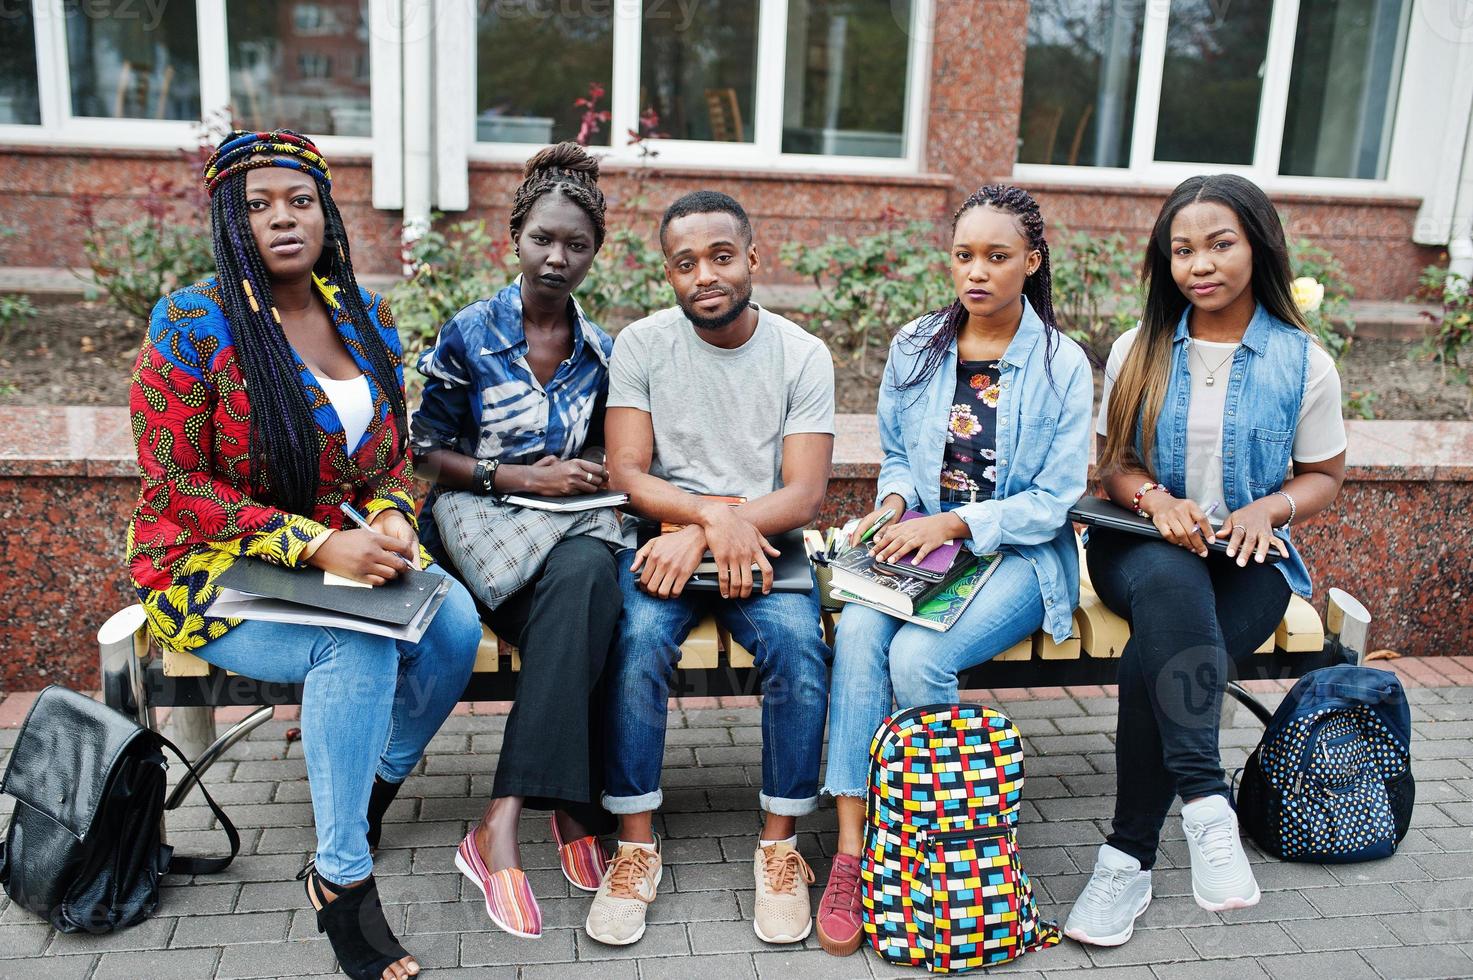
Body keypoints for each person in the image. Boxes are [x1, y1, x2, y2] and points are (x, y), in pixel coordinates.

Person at [126, 130, 481, 980]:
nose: (282, 218)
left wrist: (393, 518)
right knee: (352, 641)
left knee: (456, 624)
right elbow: (171, 478)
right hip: (205, 565)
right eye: (257, 205)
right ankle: (341, 879)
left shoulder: (369, 317)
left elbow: (394, 460)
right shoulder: (191, 320)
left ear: (326, 212)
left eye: (300, 200)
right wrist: (317, 541)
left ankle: (369, 790)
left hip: (344, 547)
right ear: (228, 221)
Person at [1064, 174, 1347, 947]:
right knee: (1167, 585)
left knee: (1151, 660)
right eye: (1181, 249)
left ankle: (1124, 862)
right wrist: (1154, 498)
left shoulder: (1301, 362)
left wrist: (1268, 508)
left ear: (1257, 245)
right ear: (1165, 263)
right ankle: (1203, 802)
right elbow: (1113, 466)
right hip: (1142, 548)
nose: (1200, 263)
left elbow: (1323, 476)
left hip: (1246, 559)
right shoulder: (1138, 348)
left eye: (1219, 243)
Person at [812, 184, 1093, 957]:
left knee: (920, 655)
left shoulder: (1061, 364)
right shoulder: (917, 345)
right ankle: (852, 848)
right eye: (963, 255)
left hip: (1019, 556)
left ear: (1030, 262)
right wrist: (893, 503)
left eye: (997, 257)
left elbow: (1055, 498)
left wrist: (959, 521)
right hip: (920, 545)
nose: (976, 272)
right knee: (863, 632)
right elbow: (900, 455)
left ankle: (934, 842)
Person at [585, 191, 835, 947]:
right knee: (634, 648)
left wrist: (711, 528)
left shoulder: (801, 352)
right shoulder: (642, 344)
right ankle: (634, 847)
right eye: (685, 263)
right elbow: (626, 473)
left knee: (800, 649)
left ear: (752, 259)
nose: (704, 275)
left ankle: (780, 847)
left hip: (764, 547)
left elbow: (802, 492)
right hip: (664, 541)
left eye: (720, 257)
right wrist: (706, 521)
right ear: (669, 273)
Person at [410, 142, 622, 939]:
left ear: (594, 254)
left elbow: (611, 450)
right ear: (515, 237)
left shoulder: (599, 350)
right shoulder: (468, 333)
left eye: (576, 245)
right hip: (479, 523)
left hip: (561, 532)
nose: (557, 258)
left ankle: (501, 823)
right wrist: (523, 477)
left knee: (586, 587)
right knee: (587, 599)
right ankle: (570, 810)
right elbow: (424, 451)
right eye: (544, 240)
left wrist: (585, 469)